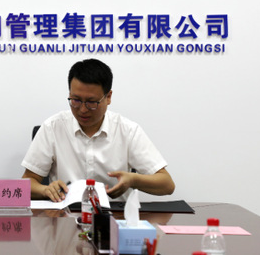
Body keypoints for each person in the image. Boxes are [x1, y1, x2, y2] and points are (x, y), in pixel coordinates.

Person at [21, 59, 175, 202]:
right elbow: (27, 182)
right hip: (66, 215)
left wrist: (133, 180)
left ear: (108, 97)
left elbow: (167, 184)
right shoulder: (52, 127)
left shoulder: (127, 130)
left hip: (114, 216)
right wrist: (45, 190)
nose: (82, 109)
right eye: (76, 100)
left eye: (91, 102)